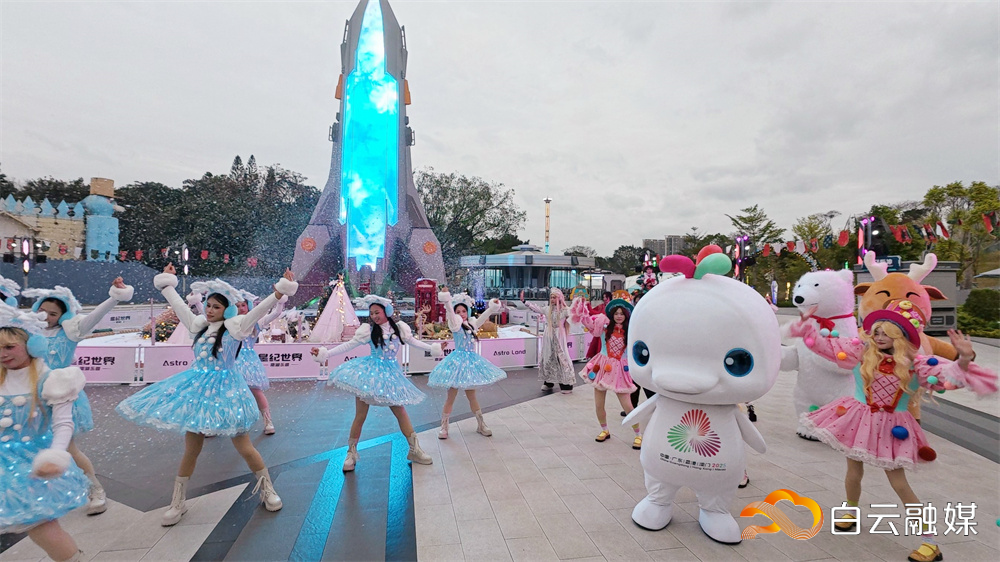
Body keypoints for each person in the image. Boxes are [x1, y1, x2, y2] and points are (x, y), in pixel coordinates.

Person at [791, 299, 997, 562]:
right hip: (858, 418)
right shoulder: (862, 352)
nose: (879, 337)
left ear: (898, 336)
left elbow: (949, 378)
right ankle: (851, 512)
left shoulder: (916, 363)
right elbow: (826, 346)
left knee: (899, 483)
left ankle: (930, 542)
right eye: (876, 332)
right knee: (853, 471)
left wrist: (964, 358)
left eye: (885, 333)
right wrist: (806, 325)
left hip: (892, 427)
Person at [117, 265, 296, 526]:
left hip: (229, 392)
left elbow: (258, 312)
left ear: (227, 310)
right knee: (191, 449)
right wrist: (167, 284)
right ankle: (178, 501)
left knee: (244, 446)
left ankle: (268, 489)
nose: (210, 310)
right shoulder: (198, 326)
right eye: (209, 305)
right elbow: (179, 305)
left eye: (216, 307)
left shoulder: (236, 328)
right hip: (198, 392)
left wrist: (279, 293)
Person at [22, 279, 134, 516]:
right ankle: (36, 495)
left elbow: (94, 317)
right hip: (29, 398)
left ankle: (95, 489)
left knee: (68, 448)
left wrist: (114, 297)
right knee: (27, 448)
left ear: (63, 316)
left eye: (53, 313)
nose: (46, 317)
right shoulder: (26, 334)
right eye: (42, 311)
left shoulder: (69, 333)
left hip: (59, 397)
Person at [311, 295, 442, 472]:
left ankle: (414, 449)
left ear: (386, 311)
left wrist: (433, 348)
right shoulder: (368, 331)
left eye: (377, 312)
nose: (374, 316)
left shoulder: (400, 329)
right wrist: (325, 353)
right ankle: (351, 453)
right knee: (360, 415)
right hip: (370, 375)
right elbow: (349, 345)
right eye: (371, 313)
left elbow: (414, 342)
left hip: (391, 376)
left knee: (400, 411)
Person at [0, 302, 89, 562]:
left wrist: (55, 456)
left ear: (32, 346)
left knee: (43, 529)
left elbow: (63, 424)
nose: (2, 354)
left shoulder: (51, 380)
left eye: (9, 347)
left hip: (28, 464)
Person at [429, 291, 506, 439]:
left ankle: (481, 424)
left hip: (470, 364)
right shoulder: (455, 325)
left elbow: (483, 316)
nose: (461, 314)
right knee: (451, 396)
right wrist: (447, 301)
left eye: (464, 311)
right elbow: (451, 314)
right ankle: (444, 426)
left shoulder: (472, 324)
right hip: (457, 364)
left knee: (472, 396)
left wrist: (492, 307)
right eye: (458, 311)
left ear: (468, 311)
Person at [571, 296, 642, 448]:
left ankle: (638, 434)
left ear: (626, 315)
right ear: (612, 315)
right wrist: (581, 309)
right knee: (599, 404)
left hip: (620, 369)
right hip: (602, 367)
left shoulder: (631, 331)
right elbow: (588, 323)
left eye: (621, 313)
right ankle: (604, 430)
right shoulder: (604, 327)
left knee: (628, 406)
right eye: (616, 313)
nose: (619, 316)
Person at [233, 290, 286, 435]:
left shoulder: (256, 322)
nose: (241, 308)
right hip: (231, 360)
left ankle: (268, 420)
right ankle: (226, 422)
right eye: (237, 306)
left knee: (256, 390)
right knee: (231, 392)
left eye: (243, 305)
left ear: (248, 306)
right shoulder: (229, 324)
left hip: (248, 361)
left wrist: (280, 299)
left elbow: (276, 313)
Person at [520, 289, 575, 393]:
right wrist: (524, 301)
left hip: (559, 336)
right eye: (551, 297)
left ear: (559, 298)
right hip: (548, 335)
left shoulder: (565, 310)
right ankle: (548, 382)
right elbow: (536, 308)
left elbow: (575, 315)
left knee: (561, 357)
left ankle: (566, 384)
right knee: (547, 356)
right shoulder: (547, 309)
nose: (552, 299)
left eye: (554, 297)